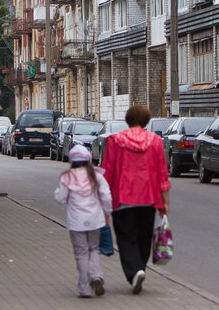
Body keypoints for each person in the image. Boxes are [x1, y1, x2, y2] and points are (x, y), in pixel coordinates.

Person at [100, 104, 170, 295]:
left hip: (122, 198)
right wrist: (165, 202)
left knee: (125, 238)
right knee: (144, 237)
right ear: (147, 121)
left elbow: (107, 172)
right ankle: (141, 268)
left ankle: (134, 272)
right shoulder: (156, 141)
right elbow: (162, 174)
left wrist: (103, 201)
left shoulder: (114, 141)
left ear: (128, 120)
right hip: (148, 197)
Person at [54, 145, 112, 298]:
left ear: (71, 161)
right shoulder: (97, 175)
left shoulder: (67, 177)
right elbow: (106, 196)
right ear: (88, 160)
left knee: (81, 253)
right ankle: (97, 276)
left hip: (76, 222)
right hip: (95, 220)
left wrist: (58, 192)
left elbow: (60, 198)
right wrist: (107, 213)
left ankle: (85, 288)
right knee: (93, 249)